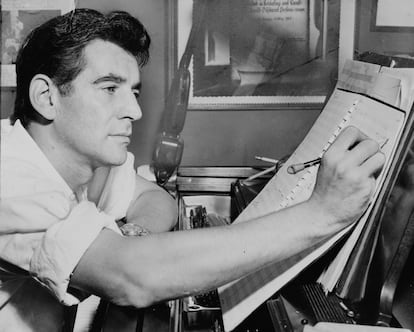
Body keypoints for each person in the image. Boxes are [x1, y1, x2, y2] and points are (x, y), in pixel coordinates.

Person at [0, 8, 385, 332]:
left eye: (133, 92)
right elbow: (132, 279)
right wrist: (322, 213)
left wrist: (135, 238)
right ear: (47, 97)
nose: (134, 111)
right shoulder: (12, 179)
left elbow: (155, 199)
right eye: (109, 88)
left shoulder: (87, 161)